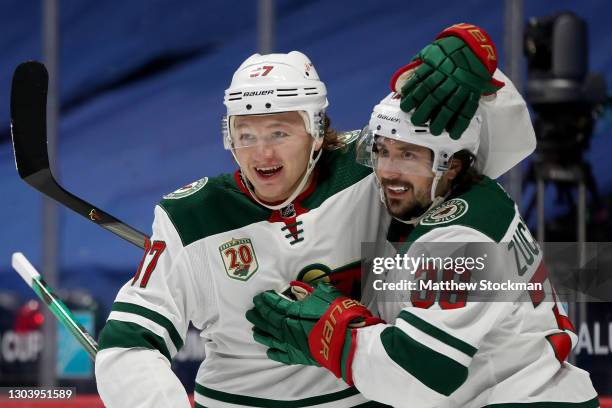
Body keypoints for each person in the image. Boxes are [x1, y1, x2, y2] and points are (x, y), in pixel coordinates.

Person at [95, 23, 531, 407]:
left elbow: (487, 151)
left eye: (279, 132)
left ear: (319, 130)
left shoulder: (372, 167)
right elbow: (129, 345)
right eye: (245, 134)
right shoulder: (189, 216)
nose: (261, 152)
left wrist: (481, 77)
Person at [246, 91, 600, 407]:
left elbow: (419, 376)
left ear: (452, 166)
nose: (387, 171)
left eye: (408, 155)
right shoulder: (452, 198)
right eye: (382, 151)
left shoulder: (463, 239)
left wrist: (335, 334)